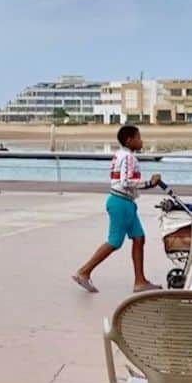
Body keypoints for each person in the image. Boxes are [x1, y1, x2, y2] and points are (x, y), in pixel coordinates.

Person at [72, 125, 162, 294]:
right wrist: (150, 183)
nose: (141, 141)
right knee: (114, 241)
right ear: (130, 140)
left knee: (139, 238)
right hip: (121, 202)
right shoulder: (129, 157)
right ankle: (84, 272)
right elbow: (126, 181)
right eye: (139, 137)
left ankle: (140, 281)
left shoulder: (120, 155)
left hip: (125, 202)